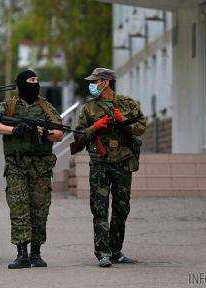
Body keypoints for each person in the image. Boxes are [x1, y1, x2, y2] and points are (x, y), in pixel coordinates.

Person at [0, 70, 63, 269]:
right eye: (31, 80)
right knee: (19, 208)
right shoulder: (9, 105)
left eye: (37, 80)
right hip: (16, 165)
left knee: (40, 209)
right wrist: (13, 130)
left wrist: (46, 133)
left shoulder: (46, 106)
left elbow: (59, 133)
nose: (35, 84)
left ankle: (36, 253)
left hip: (41, 167)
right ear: (21, 83)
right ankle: (22, 254)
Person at [74, 67, 147, 267]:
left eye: (95, 81)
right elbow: (78, 137)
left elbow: (141, 127)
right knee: (99, 208)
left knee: (122, 207)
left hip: (123, 161)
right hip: (100, 163)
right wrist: (95, 127)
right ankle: (103, 252)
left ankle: (116, 250)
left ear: (105, 82)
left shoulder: (127, 104)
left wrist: (123, 122)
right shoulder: (89, 108)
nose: (92, 85)